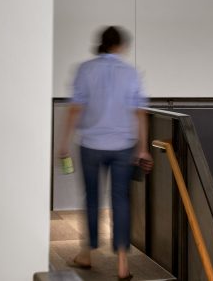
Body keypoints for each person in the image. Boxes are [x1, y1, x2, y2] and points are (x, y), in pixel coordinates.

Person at [58, 26, 153, 281]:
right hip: (123, 146)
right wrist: (143, 148)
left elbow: (75, 109)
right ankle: (122, 264)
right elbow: (140, 112)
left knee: (91, 197)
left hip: (91, 144)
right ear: (120, 46)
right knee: (121, 199)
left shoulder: (85, 69)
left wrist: (64, 142)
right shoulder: (131, 73)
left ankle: (86, 254)